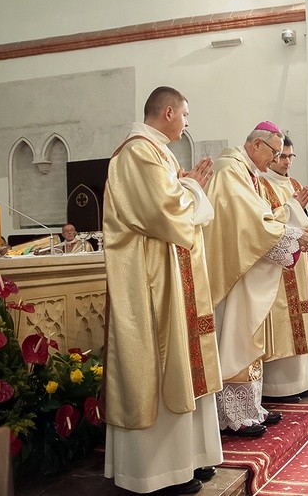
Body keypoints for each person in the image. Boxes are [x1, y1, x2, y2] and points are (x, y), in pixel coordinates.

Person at [102, 86, 223, 494]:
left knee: (184, 369)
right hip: (150, 284)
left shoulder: (157, 152)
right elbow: (164, 211)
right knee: (157, 367)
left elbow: (170, 200)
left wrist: (184, 183)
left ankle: (188, 460)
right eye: (185, 114)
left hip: (172, 279)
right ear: (168, 112)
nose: (187, 122)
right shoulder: (137, 152)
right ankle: (157, 472)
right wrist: (193, 189)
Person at [203, 121, 308, 437]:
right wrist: (292, 234)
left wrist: (293, 232)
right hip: (233, 271)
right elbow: (251, 222)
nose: (277, 159)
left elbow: (259, 217)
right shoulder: (230, 170)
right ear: (256, 145)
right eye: (275, 152)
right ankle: (233, 415)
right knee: (235, 341)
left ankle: (250, 408)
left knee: (247, 339)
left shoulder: (244, 171)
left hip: (246, 267)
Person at [259, 134, 308, 403]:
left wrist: (307, 215)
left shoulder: (295, 184)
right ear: (272, 157)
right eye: (282, 156)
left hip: (300, 264)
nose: (286, 162)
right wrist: (293, 206)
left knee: (301, 318)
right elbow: (264, 222)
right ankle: (278, 387)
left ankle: (301, 382)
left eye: (290, 156)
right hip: (278, 267)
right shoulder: (260, 184)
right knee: (282, 323)